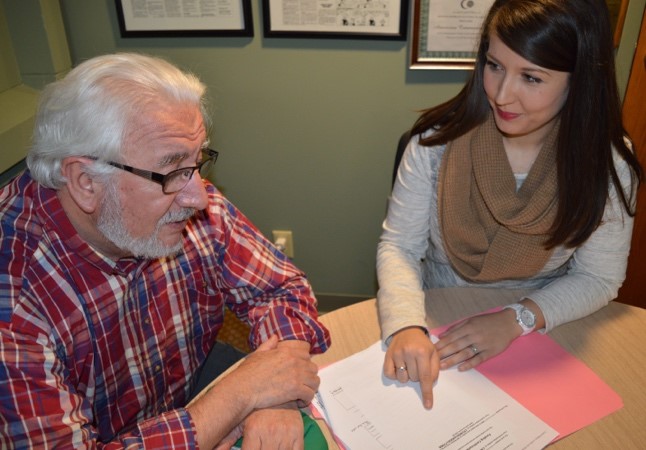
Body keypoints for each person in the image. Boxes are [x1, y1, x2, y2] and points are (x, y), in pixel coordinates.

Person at [0, 53, 331, 449]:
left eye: (198, 162)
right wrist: (241, 394)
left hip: (187, 382)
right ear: (86, 181)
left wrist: (273, 394)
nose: (200, 198)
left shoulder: (182, 203)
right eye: (173, 171)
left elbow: (282, 288)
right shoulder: (15, 303)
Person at [377, 0, 642, 410]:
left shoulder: (607, 163)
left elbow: (599, 278)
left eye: (532, 78)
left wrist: (516, 319)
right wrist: (406, 325)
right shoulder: (434, 145)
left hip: (546, 321)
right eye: (495, 65)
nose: (502, 95)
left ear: (581, 81)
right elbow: (400, 247)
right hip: (439, 315)